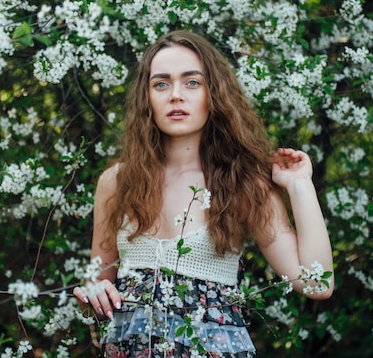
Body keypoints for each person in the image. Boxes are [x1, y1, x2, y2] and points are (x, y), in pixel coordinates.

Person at [73, 30, 334, 357]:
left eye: (192, 82)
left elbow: (316, 283)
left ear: (214, 94)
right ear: (146, 97)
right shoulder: (117, 182)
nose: (176, 95)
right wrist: (92, 296)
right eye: (161, 83)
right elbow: (98, 293)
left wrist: (299, 186)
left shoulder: (243, 183)